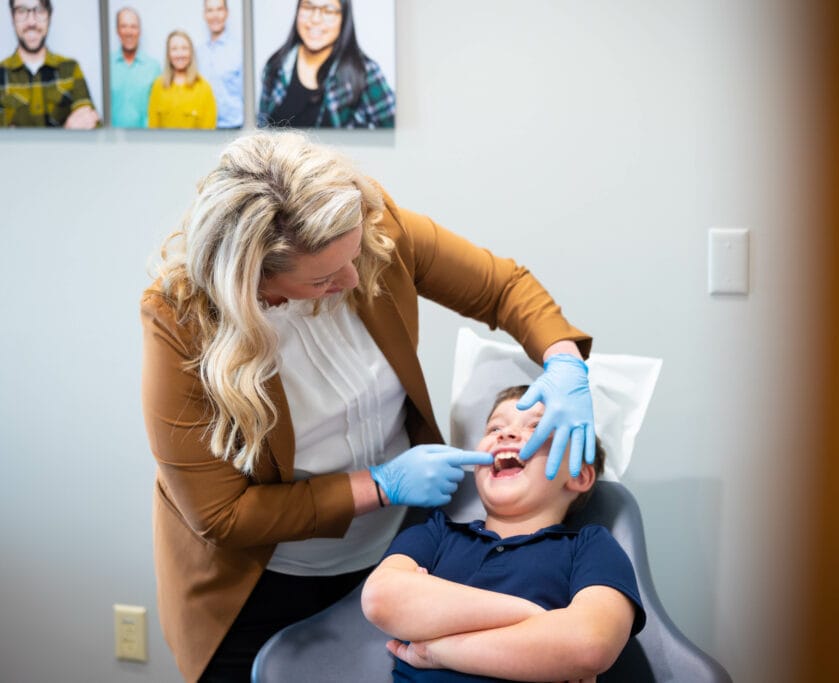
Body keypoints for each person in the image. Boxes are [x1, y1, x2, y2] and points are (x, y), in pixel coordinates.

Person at [140, 131, 597, 682]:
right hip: (260, 581)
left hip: (387, 547)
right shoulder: (182, 321)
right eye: (326, 277)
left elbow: (501, 288)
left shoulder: (371, 232)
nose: (356, 279)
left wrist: (566, 362)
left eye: (353, 255)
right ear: (255, 277)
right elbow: (221, 514)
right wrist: (380, 484)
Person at [361, 385, 645, 682]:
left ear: (579, 475)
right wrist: (540, 620)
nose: (505, 434)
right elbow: (381, 599)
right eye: (495, 427)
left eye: (537, 426)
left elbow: (590, 645)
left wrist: (437, 651)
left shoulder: (591, 547)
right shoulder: (435, 534)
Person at [258, 0, 395, 129]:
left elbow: (400, 136)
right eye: (308, 7)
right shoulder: (276, 66)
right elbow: (261, 132)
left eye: (328, 11)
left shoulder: (365, 72)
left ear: (344, 17)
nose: (315, 19)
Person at [1, 0, 99, 128]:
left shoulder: (70, 69)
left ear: (49, 15)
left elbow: (92, 128)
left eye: (39, 10)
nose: (31, 22)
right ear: (12, 17)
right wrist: (67, 131)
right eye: (21, 11)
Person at [147, 29, 216, 129]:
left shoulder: (204, 88)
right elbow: (152, 128)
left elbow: (209, 133)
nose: (180, 54)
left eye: (184, 48)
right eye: (174, 49)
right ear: (168, 54)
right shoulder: (157, 86)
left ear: (191, 53)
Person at [109, 6, 161, 128]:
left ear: (139, 31)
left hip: (146, 141)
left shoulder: (153, 67)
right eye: (124, 26)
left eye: (133, 26)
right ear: (117, 30)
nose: (129, 32)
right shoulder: (107, 65)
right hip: (112, 141)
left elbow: (159, 107)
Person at [195, 0, 243, 128]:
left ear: (226, 13)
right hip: (203, 127)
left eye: (219, 9)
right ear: (204, 15)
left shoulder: (240, 50)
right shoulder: (197, 53)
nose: (215, 15)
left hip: (234, 127)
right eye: (210, 10)